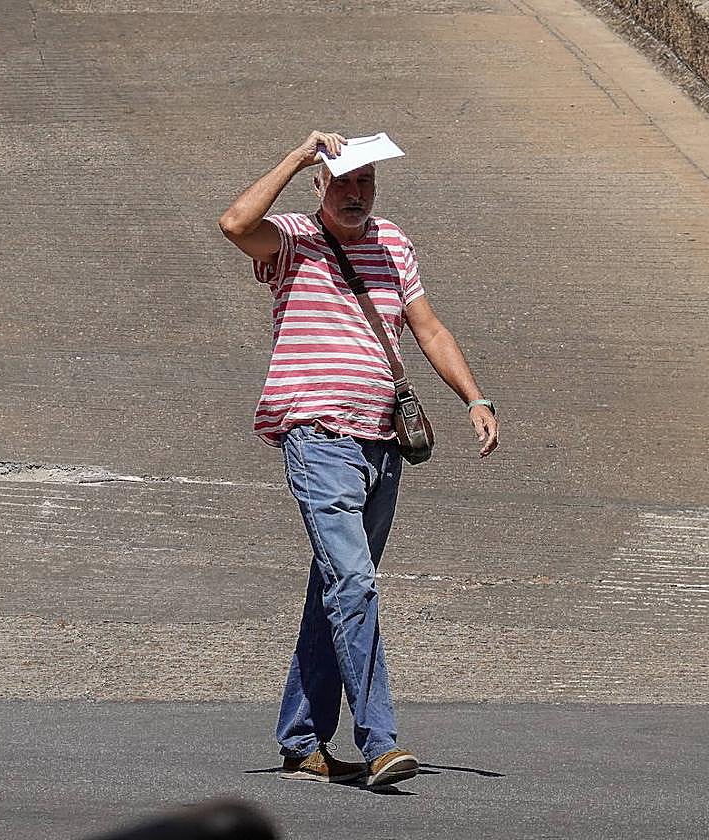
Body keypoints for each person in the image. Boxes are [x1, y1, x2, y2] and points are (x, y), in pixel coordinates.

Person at [218, 130, 499, 788]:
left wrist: (474, 398)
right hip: (317, 438)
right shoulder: (292, 239)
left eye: (365, 183)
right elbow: (234, 224)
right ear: (319, 185)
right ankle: (380, 741)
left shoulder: (393, 242)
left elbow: (426, 326)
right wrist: (294, 154)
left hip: (382, 442)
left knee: (337, 586)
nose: (354, 194)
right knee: (355, 585)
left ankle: (301, 739)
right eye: (341, 182)